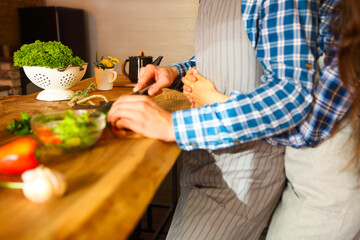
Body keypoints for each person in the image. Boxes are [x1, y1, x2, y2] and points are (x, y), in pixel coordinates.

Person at [108, 0, 319, 239]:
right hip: (203, 157)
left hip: (243, 168)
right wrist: (175, 72)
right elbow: (228, 54)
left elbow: (291, 95)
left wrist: (173, 126)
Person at [182, 0, 360, 239]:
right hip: (303, 180)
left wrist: (217, 101)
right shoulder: (323, 10)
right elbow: (265, 50)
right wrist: (179, 70)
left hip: (329, 197)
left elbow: (306, 127)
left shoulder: (344, 22)